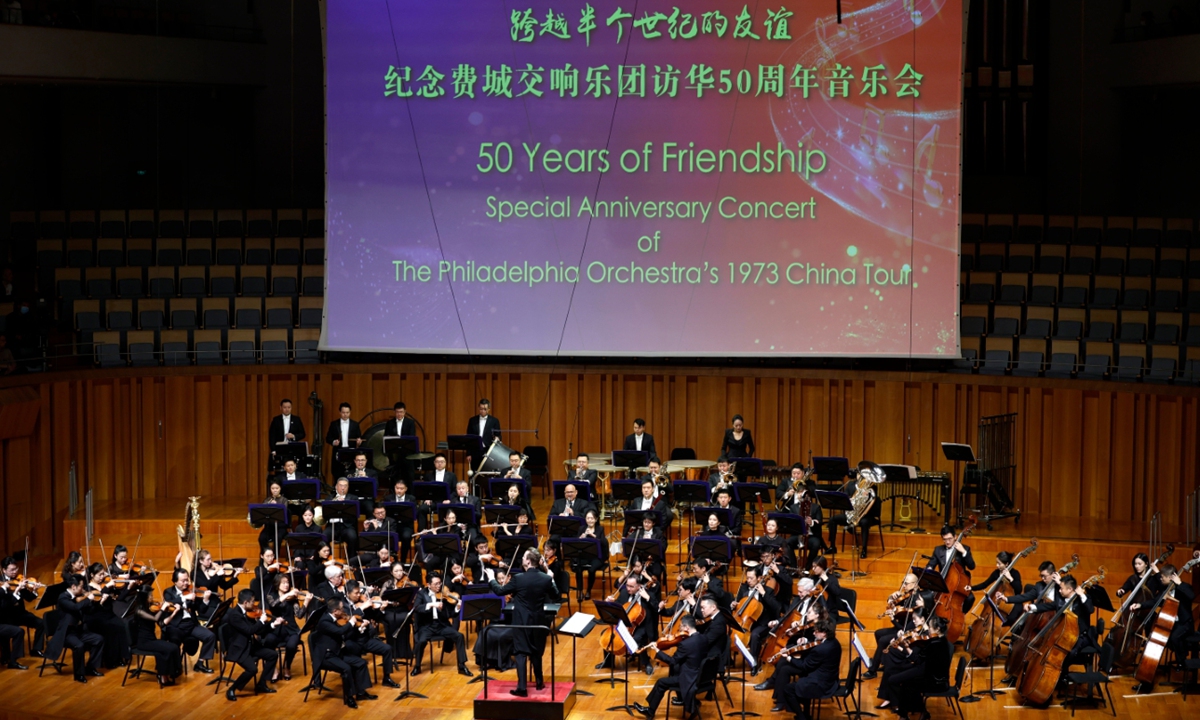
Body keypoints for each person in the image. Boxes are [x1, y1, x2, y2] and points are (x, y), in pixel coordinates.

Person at [488, 548, 558, 696]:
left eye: (524, 556)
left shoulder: (519, 578)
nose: (522, 558)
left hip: (521, 621)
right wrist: (551, 578)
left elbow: (500, 591)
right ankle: (539, 682)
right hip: (539, 620)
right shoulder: (545, 579)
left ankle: (522, 688)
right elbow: (555, 595)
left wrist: (491, 579)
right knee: (536, 652)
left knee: (520, 652)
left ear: (527, 561)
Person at [634, 613, 710, 718]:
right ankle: (684, 701)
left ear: (686, 627)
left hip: (688, 678)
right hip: (701, 676)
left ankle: (650, 711)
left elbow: (672, 661)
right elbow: (692, 649)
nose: (679, 629)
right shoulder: (703, 638)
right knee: (674, 671)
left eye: (681, 626)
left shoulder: (686, 644)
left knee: (661, 682)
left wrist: (657, 650)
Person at [223, 589, 284, 701]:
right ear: (245, 602)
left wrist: (272, 625)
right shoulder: (234, 615)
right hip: (239, 648)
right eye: (252, 602)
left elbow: (258, 631)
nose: (254, 604)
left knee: (272, 655)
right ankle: (232, 689)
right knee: (252, 669)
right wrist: (260, 621)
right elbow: (249, 631)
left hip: (250, 646)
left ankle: (261, 683)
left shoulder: (248, 612)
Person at [312, 598, 374, 708]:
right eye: (341, 609)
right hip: (326, 656)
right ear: (335, 611)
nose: (344, 611)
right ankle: (349, 697)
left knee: (360, 663)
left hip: (337, 653)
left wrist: (360, 626)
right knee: (347, 668)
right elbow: (340, 632)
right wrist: (351, 623)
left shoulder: (336, 619)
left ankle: (361, 693)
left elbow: (344, 633)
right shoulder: (324, 621)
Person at [777, 616, 841, 717]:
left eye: (816, 632)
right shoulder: (835, 643)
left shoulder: (821, 649)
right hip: (831, 679)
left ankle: (801, 717)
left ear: (824, 633)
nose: (813, 633)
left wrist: (788, 657)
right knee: (801, 681)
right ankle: (806, 713)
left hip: (821, 684)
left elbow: (804, 666)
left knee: (788, 689)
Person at [411, 573, 471, 676]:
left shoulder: (443, 595)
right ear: (428, 585)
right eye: (436, 584)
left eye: (440, 583)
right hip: (426, 626)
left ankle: (462, 666)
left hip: (441, 625)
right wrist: (431, 605)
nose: (439, 586)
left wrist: (457, 608)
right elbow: (416, 609)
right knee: (421, 641)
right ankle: (417, 666)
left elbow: (450, 614)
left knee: (459, 636)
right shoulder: (422, 594)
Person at [343, 581, 399, 688]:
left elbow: (375, 617)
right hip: (352, 641)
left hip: (365, 638)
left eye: (359, 592)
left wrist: (381, 609)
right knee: (358, 661)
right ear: (347, 593)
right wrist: (362, 607)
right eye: (356, 593)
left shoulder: (363, 601)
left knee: (387, 649)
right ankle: (359, 687)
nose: (359, 595)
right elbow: (349, 618)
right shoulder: (343, 605)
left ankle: (386, 678)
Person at [50, 574, 105, 683]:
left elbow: (88, 610)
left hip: (78, 631)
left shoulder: (79, 598)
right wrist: (88, 599)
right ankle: (79, 674)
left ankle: (90, 667)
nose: (83, 589)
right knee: (79, 645)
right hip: (66, 633)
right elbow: (75, 607)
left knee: (99, 639)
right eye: (81, 587)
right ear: (74, 587)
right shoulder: (63, 597)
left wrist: (99, 602)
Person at [597, 574, 656, 673]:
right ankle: (608, 662)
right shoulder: (624, 592)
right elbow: (619, 607)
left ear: (639, 586)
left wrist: (647, 598)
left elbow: (656, 608)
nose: (628, 588)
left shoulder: (648, 594)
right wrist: (610, 603)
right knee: (606, 634)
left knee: (637, 638)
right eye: (627, 585)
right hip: (625, 624)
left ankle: (646, 663)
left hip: (641, 625)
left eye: (631, 586)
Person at [161, 568, 216, 673]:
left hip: (191, 624)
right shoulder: (169, 592)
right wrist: (184, 598)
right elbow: (169, 602)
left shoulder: (192, 591)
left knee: (210, 636)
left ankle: (199, 664)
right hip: (176, 625)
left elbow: (202, 610)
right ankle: (176, 665)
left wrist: (205, 600)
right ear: (175, 581)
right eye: (183, 581)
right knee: (174, 640)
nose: (186, 583)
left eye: (187, 580)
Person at [130, 585, 183, 685]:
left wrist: (173, 613)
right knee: (170, 648)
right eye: (150, 595)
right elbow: (155, 619)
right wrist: (162, 609)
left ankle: (166, 675)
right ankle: (171, 673)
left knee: (172, 648)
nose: (152, 597)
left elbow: (162, 623)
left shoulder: (150, 608)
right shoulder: (139, 611)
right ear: (144, 596)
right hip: (144, 642)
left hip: (152, 640)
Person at [267, 573, 310, 681]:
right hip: (275, 628)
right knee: (268, 641)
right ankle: (274, 669)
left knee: (292, 645)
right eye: (283, 583)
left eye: (287, 583)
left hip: (291, 629)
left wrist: (306, 602)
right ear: (277, 584)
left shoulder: (293, 598)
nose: (286, 585)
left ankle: (287, 666)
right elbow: (274, 605)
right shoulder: (271, 596)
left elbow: (299, 615)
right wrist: (286, 595)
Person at [0, 557, 45, 657]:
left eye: (16, 569)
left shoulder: (19, 580)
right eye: (12, 570)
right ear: (4, 570)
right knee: (8, 632)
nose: (15, 572)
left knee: (41, 623)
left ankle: (36, 649)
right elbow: (3, 605)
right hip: (6, 617)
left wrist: (34, 590)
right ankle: (7, 657)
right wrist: (16, 591)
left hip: (20, 614)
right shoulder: (1, 584)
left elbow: (29, 598)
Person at [929, 524, 976, 611]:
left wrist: (963, 552)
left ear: (955, 537)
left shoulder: (965, 548)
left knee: (970, 598)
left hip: (958, 584)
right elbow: (931, 564)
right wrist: (929, 568)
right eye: (945, 539)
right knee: (929, 596)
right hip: (943, 583)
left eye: (950, 539)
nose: (947, 542)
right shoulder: (938, 550)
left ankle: (960, 614)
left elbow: (972, 566)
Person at [574, 509, 608, 601]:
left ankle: (588, 590)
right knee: (578, 567)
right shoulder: (581, 528)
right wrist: (580, 538)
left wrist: (593, 536)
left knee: (591, 569)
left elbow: (604, 543)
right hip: (585, 555)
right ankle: (580, 591)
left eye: (592, 518)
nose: (590, 520)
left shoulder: (600, 529)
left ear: (596, 519)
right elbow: (576, 543)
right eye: (588, 518)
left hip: (598, 556)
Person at [322, 477, 361, 554]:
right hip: (333, 526)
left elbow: (355, 515)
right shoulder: (329, 498)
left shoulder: (354, 498)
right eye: (341, 485)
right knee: (324, 536)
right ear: (336, 486)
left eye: (345, 486)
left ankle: (352, 560)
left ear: (348, 487)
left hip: (347, 526)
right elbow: (325, 516)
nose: (343, 488)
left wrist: (345, 503)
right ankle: (329, 557)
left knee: (352, 537)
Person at [257, 480, 291, 551]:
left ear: (280, 488)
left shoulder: (284, 500)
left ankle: (275, 557)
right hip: (269, 526)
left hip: (281, 526)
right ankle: (265, 556)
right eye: (273, 488)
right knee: (261, 538)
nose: (275, 490)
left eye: (277, 488)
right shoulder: (267, 500)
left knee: (277, 538)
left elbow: (284, 512)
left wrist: (277, 506)